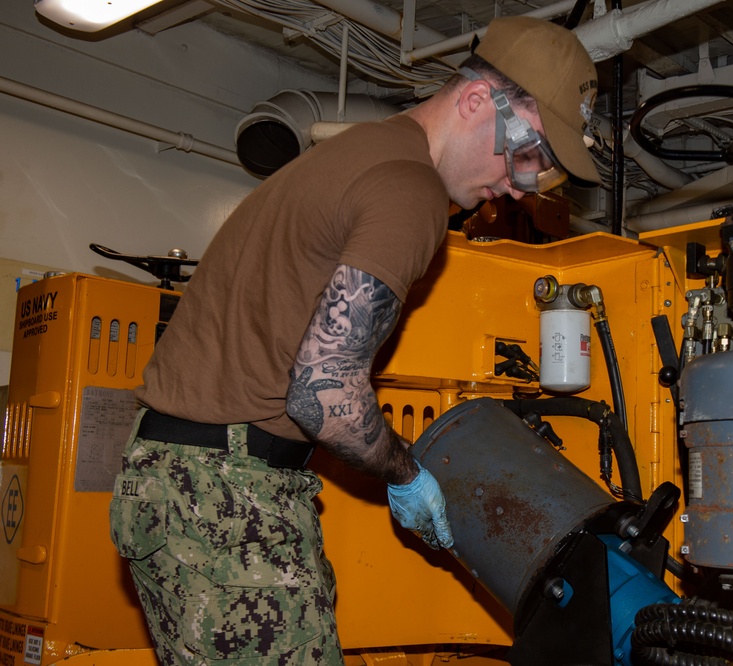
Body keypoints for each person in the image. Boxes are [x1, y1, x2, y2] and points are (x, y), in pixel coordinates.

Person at [108, 14, 600, 666]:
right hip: (224, 498)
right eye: (530, 154)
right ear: (481, 100)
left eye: (544, 174)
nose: (520, 185)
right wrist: (406, 472)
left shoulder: (360, 151)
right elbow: (323, 394)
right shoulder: (409, 189)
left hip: (179, 484)